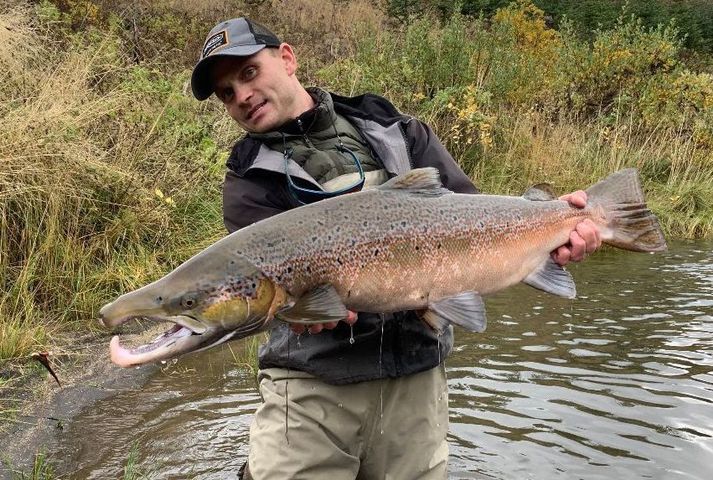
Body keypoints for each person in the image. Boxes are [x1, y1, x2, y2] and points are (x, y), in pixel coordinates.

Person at [190, 17, 601, 480]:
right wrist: (299, 307)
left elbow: (471, 217)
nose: (240, 95)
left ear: (286, 58)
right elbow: (268, 293)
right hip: (311, 385)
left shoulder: (394, 129)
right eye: (226, 92)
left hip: (416, 377)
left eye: (247, 73)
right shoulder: (247, 181)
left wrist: (552, 237)